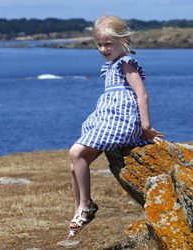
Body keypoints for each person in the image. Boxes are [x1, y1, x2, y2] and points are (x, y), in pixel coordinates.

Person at [67, 15, 164, 239]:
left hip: (121, 120)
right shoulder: (110, 66)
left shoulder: (126, 62)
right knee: (76, 164)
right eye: (99, 44)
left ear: (124, 40)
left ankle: (85, 205)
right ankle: (81, 208)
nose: (103, 48)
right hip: (108, 117)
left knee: (75, 152)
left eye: (108, 43)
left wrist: (146, 126)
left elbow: (142, 94)